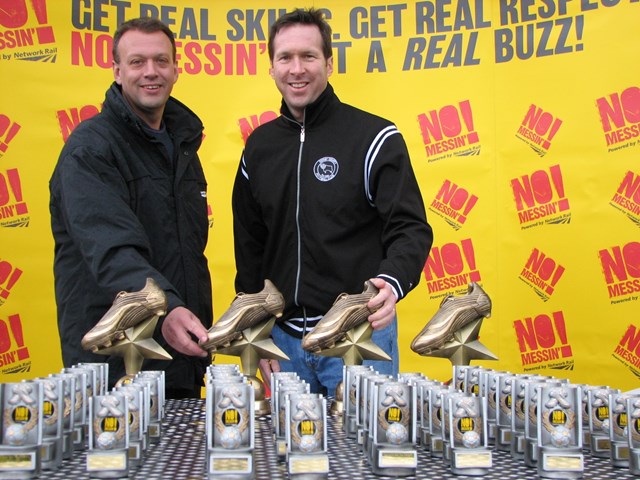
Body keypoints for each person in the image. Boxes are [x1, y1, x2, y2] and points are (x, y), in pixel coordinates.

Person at [231, 8, 433, 397]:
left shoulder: (375, 136)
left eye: (308, 56)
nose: (296, 69)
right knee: (290, 455)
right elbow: (250, 248)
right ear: (271, 67)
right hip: (283, 343)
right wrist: (255, 333)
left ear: (329, 62)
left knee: (365, 453)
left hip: (359, 335)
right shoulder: (258, 147)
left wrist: (391, 284)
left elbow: (410, 228)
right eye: (285, 57)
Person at [49, 17, 212, 399]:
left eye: (161, 61)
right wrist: (168, 307)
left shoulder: (181, 147)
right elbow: (112, 250)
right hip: (115, 365)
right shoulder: (90, 149)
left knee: (179, 460)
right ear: (117, 71)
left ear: (176, 69)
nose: (150, 72)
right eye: (137, 62)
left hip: (180, 356)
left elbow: (187, 254)